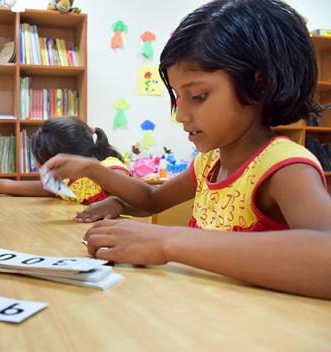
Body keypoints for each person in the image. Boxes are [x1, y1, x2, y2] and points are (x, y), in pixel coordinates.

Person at [43, 0, 331, 299]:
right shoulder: (210, 162)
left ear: (260, 84)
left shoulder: (283, 166)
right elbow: (152, 199)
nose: (180, 115)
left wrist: (168, 241)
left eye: (198, 96)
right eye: (179, 97)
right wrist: (100, 177)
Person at [0, 116, 129, 204]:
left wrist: (115, 205)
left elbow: (132, 195)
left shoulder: (110, 168)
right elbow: (9, 186)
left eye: (45, 162)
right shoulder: (66, 182)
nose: (40, 167)